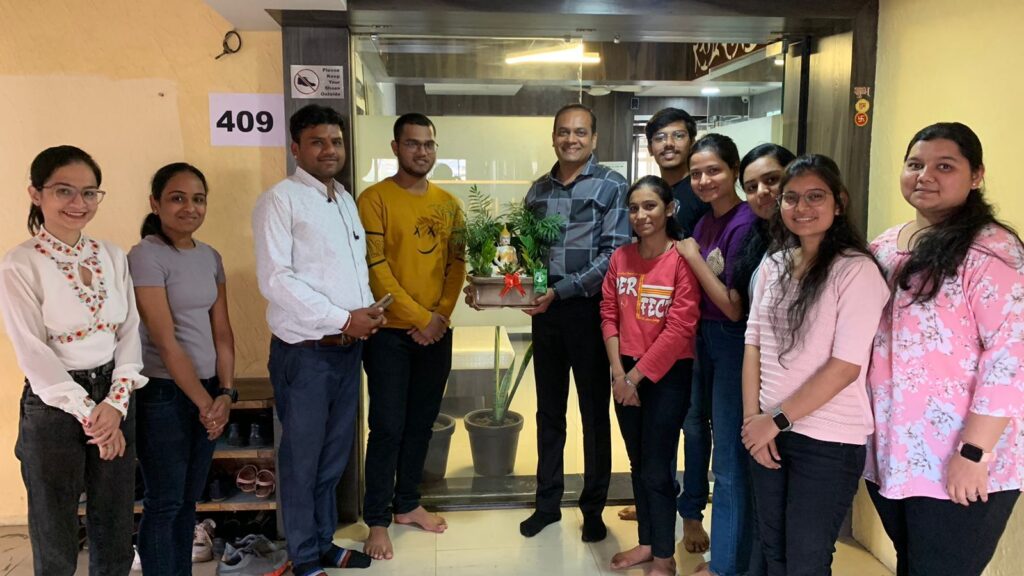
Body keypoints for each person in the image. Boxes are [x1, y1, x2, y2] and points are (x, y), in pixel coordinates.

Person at [865, 122, 1024, 576]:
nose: (925, 176)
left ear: (976, 176)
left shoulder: (993, 251)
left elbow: (1011, 358)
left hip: (960, 458)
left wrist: (974, 453)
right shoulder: (883, 246)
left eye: (945, 166)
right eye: (915, 164)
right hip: (893, 453)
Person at [0, 145, 147, 575]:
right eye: (64, 190)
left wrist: (115, 404)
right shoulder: (20, 264)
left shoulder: (112, 255)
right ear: (36, 193)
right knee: (55, 526)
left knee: (115, 519)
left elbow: (129, 331)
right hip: (54, 403)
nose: (78, 203)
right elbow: (32, 350)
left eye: (89, 192)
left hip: (115, 395)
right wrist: (92, 416)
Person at [741, 155, 889, 575]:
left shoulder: (855, 271)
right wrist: (753, 422)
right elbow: (753, 344)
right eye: (791, 198)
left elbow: (845, 367)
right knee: (773, 551)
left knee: (806, 561)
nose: (801, 207)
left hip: (827, 440)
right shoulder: (774, 264)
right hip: (767, 431)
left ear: (838, 203)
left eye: (815, 197)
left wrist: (775, 420)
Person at [253, 104, 383, 576]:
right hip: (305, 355)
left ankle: (324, 542)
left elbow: (348, 271)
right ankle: (304, 556)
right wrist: (344, 318)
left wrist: (366, 311)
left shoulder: (344, 199)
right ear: (295, 148)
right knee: (302, 461)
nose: (330, 150)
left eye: (336, 142)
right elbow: (277, 281)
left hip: (347, 354)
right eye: (318, 142)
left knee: (332, 459)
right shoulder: (279, 201)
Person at [517, 103, 630, 542]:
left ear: (594, 139)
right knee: (549, 411)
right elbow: (531, 253)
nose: (571, 139)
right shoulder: (537, 192)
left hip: (590, 311)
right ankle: (547, 504)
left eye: (580, 132)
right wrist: (535, 291)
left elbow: (613, 255)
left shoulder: (612, 185)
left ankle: (593, 509)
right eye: (563, 131)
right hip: (547, 313)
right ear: (553, 137)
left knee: (593, 413)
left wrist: (560, 291)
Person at [357, 113, 466, 560]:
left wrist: (440, 316)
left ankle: (407, 504)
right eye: (413, 143)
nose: (422, 151)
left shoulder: (449, 204)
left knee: (422, 423)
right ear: (395, 147)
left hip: (436, 333)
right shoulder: (373, 200)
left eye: (428, 144)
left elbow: (456, 265)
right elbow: (375, 268)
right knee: (387, 427)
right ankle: (377, 520)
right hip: (388, 335)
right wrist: (422, 317)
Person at [128, 163, 236, 575]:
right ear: (155, 203)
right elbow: (166, 341)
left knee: (189, 501)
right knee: (165, 502)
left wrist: (225, 393)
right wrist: (207, 404)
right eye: (177, 198)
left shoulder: (210, 256)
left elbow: (222, 332)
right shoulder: (145, 256)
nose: (189, 207)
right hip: (163, 394)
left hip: (208, 391)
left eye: (198, 199)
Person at [617, 108, 713, 554]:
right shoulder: (650, 194)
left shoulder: (701, 191)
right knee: (653, 437)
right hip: (648, 334)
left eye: (678, 135)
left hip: (695, 330)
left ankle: (689, 513)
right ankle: (657, 508)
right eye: (660, 137)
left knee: (691, 425)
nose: (668, 144)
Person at [600, 175, 700, 576]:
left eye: (650, 206)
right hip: (624, 371)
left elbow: (680, 328)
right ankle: (646, 542)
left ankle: (663, 556)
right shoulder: (620, 258)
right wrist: (618, 373)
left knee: (657, 467)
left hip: (667, 375)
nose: (641, 215)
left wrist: (634, 379)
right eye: (634, 208)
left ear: (669, 209)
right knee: (638, 462)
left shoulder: (681, 259)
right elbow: (608, 314)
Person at [675, 133, 758, 576]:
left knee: (728, 457)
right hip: (700, 336)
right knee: (694, 428)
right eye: (697, 174)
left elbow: (732, 306)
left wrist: (692, 257)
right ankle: (696, 521)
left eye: (714, 171)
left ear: (734, 171)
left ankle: (724, 564)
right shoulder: (706, 221)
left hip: (730, 340)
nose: (704, 180)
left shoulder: (745, 223)